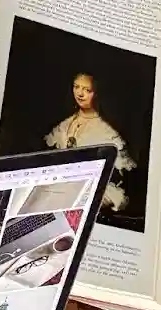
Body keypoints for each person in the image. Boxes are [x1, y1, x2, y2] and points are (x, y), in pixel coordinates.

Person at [43, 73, 136, 212]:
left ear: (97, 93)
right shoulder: (65, 124)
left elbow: (120, 176)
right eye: (76, 87)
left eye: (87, 90)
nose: (80, 94)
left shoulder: (106, 131)